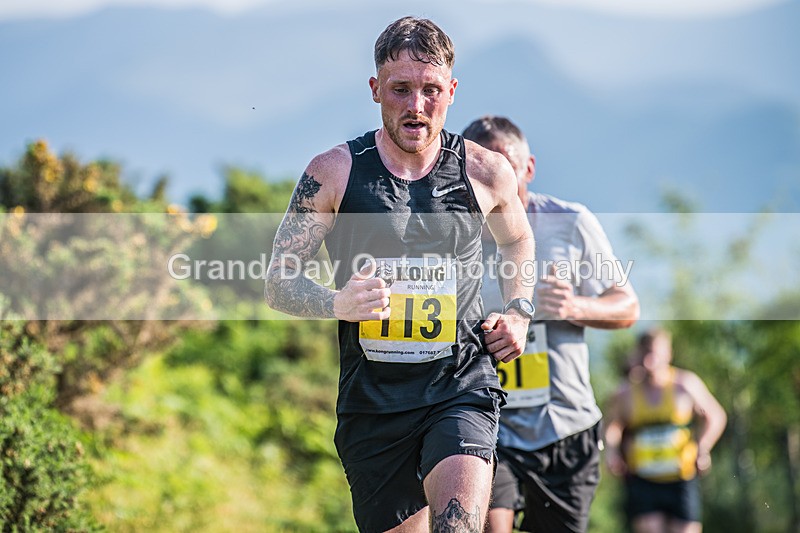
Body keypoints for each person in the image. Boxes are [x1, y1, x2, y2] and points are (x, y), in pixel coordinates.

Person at [265, 18, 536, 533]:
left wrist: (519, 309)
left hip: (459, 383)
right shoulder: (334, 173)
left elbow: (517, 240)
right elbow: (278, 279)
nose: (416, 106)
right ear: (375, 90)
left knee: (458, 526)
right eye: (401, 90)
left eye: (431, 90)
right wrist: (335, 303)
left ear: (451, 91)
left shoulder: (486, 172)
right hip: (374, 404)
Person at [462, 116, 640, 533]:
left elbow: (627, 305)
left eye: (506, 166)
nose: (496, 179)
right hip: (488, 421)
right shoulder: (450, 232)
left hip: (565, 426)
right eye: (482, 168)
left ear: (529, 168)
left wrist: (574, 306)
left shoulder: (571, 221)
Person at [604, 327, 727, 533]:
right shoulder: (625, 392)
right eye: (645, 353)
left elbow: (716, 417)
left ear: (668, 354)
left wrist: (703, 448)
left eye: (655, 353)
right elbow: (613, 426)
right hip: (643, 479)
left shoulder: (685, 384)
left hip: (681, 477)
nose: (650, 360)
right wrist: (612, 452)